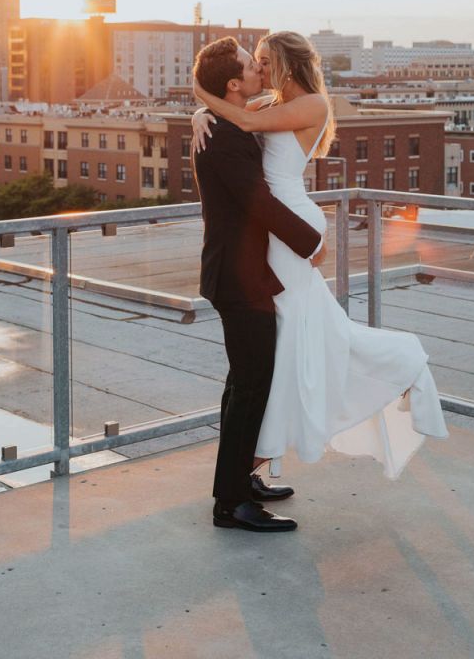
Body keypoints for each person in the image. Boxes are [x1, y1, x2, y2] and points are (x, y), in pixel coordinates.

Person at [193, 30, 448, 483]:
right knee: (300, 336)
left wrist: (200, 93)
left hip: (292, 225)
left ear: (288, 63)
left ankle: (402, 362)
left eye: (266, 61)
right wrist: (200, 111)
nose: (260, 69)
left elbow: (241, 122)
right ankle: (251, 467)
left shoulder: (312, 104)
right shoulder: (269, 103)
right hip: (279, 232)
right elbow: (232, 116)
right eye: (254, 63)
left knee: (304, 335)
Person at [192, 36, 325, 533]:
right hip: (238, 276)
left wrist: (197, 108)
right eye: (252, 66)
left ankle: (238, 485)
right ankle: (231, 504)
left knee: (245, 386)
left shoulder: (228, 122)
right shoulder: (224, 134)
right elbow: (259, 202)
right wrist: (311, 244)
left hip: (249, 273)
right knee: (249, 388)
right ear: (233, 83)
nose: (259, 71)